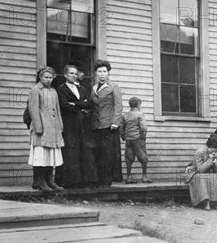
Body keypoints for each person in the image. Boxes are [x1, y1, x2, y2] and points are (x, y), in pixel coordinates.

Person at [56, 63, 97, 189]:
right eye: (71, 73)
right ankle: (70, 181)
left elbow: (89, 104)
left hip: (83, 124)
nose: (74, 76)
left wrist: (74, 104)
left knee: (84, 149)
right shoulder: (61, 89)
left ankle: (84, 181)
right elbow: (64, 106)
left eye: (75, 73)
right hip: (69, 123)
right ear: (65, 75)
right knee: (71, 150)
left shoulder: (82, 89)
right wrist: (80, 104)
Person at [27, 66, 64, 192]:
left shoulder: (53, 91)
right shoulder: (35, 90)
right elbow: (33, 110)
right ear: (40, 77)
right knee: (41, 155)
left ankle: (50, 180)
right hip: (41, 128)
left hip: (52, 128)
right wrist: (38, 127)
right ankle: (40, 181)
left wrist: (60, 125)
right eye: (45, 77)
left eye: (50, 77)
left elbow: (57, 109)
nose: (48, 80)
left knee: (50, 155)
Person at [91, 59, 123, 188]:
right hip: (96, 126)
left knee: (108, 154)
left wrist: (116, 122)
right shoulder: (93, 88)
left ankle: (106, 181)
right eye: (99, 71)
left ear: (108, 73)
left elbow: (118, 105)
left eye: (104, 71)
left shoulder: (113, 87)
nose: (102, 74)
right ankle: (99, 180)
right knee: (98, 153)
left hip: (109, 125)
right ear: (96, 73)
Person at [185, 134, 217, 211]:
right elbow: (200, 170)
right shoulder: (199, 152)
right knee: (202, 177)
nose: (214, 152)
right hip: (195, 173)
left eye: (215, 150)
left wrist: (215, 161)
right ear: (208, 146)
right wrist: (210, 160)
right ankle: (205, 202)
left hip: (209, 173)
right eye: (212, 150)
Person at [119, 97, 151, 184]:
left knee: (129, 158)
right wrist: (143, 136)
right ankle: (144, 177)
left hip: (129, 139)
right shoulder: (140, 115)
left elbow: (121, 128)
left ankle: (129, 177)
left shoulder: (125, 115)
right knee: (143, 157)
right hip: (138, 139)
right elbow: (144, 127)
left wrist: (123, 137)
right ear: (138, 105)